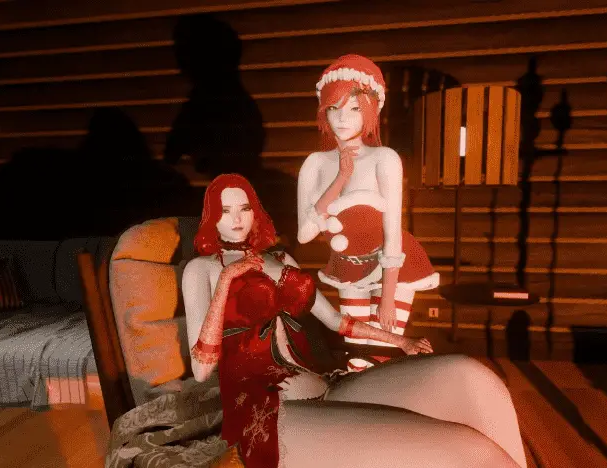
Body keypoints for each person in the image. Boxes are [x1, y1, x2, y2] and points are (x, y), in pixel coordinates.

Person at [183, 174, 527, 468]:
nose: (237, 218)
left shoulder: (281, 259)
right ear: (211, 217)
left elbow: (336, 321)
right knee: (471, 452)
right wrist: (226, 281)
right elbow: (201, 370)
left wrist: (401, 341)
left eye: (244, 208)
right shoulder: (202, 270)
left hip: (327, 385)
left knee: (473, 378)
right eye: (225, 210)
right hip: (266, 413)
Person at [296, 54, 440, 372]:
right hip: (348, 265)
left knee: (384, 351)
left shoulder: (384, 158)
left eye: (354, 108)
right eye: (333, 108)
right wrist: (340, 179)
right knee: (358, 353)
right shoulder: (315, 164)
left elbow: (393, 228)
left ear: (371, 110)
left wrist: (387, 295)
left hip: (394, 265)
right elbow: (305, 233)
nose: (342, 118)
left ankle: (386, 400)